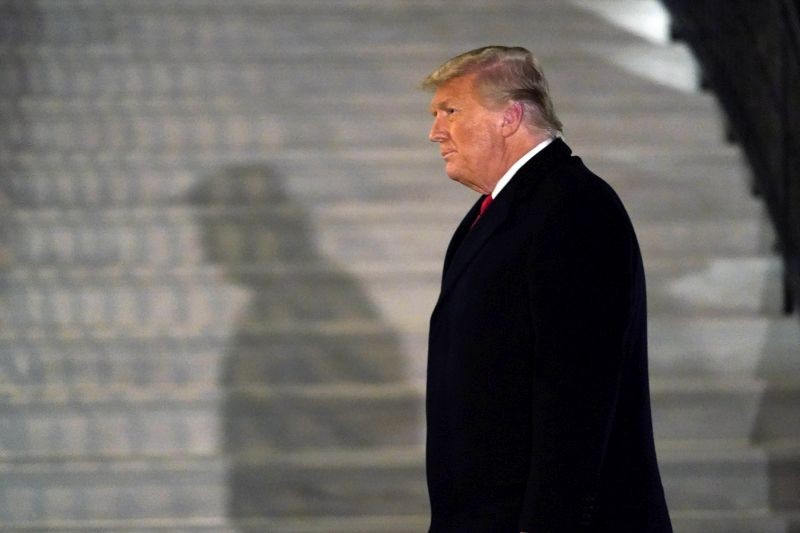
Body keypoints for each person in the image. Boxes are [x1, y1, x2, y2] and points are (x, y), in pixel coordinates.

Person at [422, 46, 672, 532]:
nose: (435, 131)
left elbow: (578, 395)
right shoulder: (503, 210)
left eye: (450, 111)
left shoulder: (573, 208)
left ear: (510, 116)